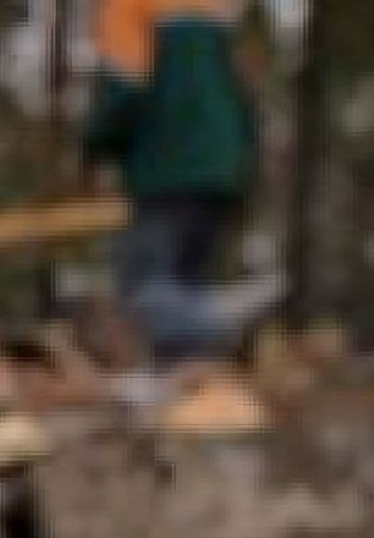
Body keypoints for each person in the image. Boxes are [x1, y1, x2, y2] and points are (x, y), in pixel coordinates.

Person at [80, 0, 262, 360]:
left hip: (165, 168)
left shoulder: (126, 7)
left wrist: (96, 146)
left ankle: (210, 319)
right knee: (185, 278)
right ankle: (189, 374)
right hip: (222, 167)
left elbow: (126, 89)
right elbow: (244, 89)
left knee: (147, 286)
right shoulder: (218, 8)